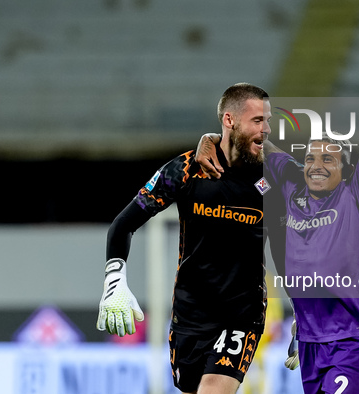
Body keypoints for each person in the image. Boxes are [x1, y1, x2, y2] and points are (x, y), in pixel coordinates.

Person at [196, 20, 359, 393]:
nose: (316, 164)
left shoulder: (358, 196)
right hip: (310, 346)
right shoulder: (289, 182)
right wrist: (211, 136)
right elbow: (250, 136)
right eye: (310, 157)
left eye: (328, 160)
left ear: (347, 171)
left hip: (351, 346)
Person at [96, 83, 273, 394]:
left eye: (267, 121)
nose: (266, 129)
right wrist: (114, 281)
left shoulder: (276, 173)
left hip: (241, 314)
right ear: (229, 120)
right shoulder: (186, 169)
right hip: (190, 314)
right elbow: (124, 224)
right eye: (257, 121)